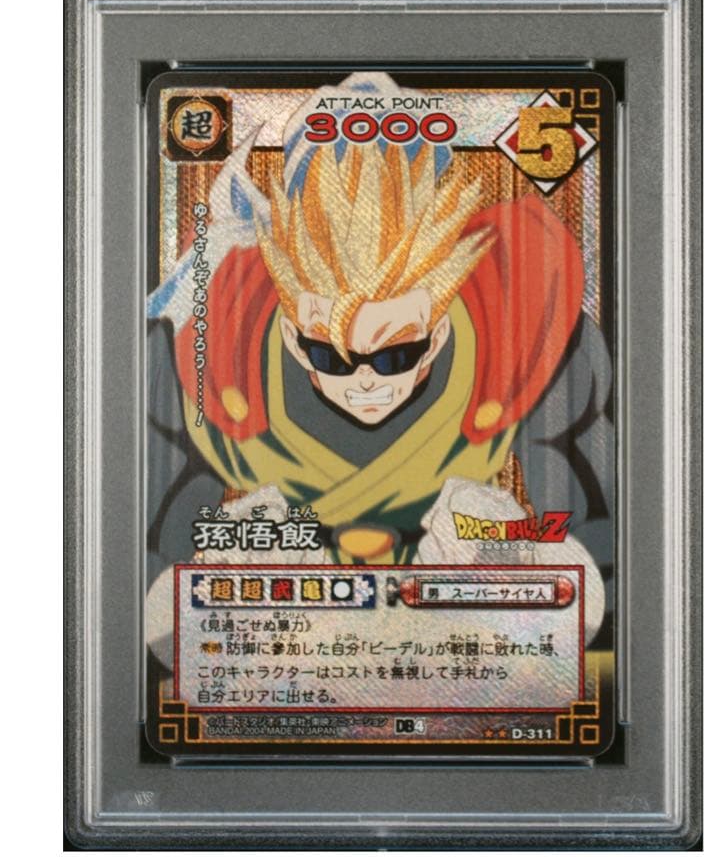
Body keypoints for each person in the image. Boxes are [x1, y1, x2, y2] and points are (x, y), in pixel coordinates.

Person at [146, 73, 613, 655]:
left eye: (396, 354)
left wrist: (507, 548)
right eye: (329, 356)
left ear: (437, 334)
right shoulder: (211, 346)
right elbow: (150, 607)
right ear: (293, 336)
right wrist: (232, 567)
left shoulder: (523, 335)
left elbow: (596, 581)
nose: (365, 382)